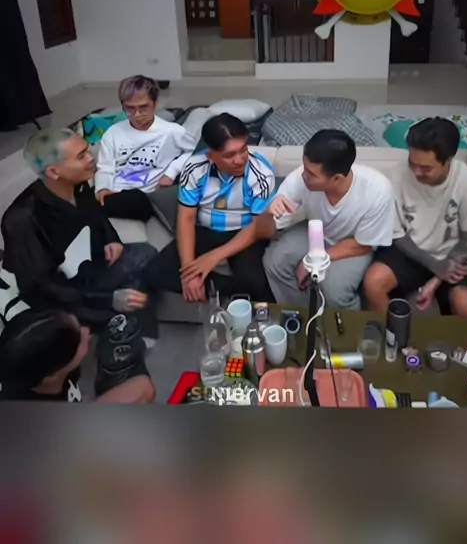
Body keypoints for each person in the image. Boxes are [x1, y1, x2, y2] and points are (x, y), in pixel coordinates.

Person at [1, 128, 161, 333]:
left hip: (94, 268)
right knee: (115, 320)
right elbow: (40, 290)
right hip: (64, 295)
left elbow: (95, 213)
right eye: (81, 156)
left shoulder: (78, 183)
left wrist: (111, 238)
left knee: (147, 256)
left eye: (87, 150)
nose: (91, 157)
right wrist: (107, 299)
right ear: (53, 172)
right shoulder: (22, 220)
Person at [260, 129, 395, 310]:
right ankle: (302, 314)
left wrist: (312, 260)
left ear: (337, 179)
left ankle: (344, 325)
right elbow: (265, 230)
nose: (303, 176)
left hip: (354, 244)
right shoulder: (300, 178)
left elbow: (365, 245)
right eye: (304, 167)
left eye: (311, 174)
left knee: (334, 290)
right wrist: (268, 212)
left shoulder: (377, 191)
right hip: (316, 231)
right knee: (276, 260)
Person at [364, 118, 467, 321]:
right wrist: (434, 265)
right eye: (413, 163)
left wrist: (437, 278)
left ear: (448, 160)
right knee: (373, 283)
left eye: (426, 168)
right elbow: (397, 236)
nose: (416, 172)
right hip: (409, 251)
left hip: (451, 256)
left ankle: (459, 342)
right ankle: (392, 334)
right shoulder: (395, 177)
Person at [152, 113, 276, 302]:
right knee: (154, 272)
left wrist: (214, 257)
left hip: (245, 231)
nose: (239, 160)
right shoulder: (194, 168)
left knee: (255, 282)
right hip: (205, 230)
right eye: (229, 155)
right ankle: (213, 287)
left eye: (243, 150)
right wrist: (190, 273)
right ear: (211, 156)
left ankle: (222, 291)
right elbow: (186, 218)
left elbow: (259, 228)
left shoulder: (261, 174)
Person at [95, 76, 196, 222]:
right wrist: (102, 189)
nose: (137, 115)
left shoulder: (172, 131)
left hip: (144, 196)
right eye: (130, 108)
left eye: (143, 107)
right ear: (123, 106)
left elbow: (196, 152)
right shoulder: (113, 133)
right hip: (115, 193)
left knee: (136, 200)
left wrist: (171, 172)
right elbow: (105, 168)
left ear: (155, 104)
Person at [0, 309, 155, 403]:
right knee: (143, 388)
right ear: (51, 376)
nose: (86, 331)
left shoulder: (35, 368)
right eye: (79, 339)